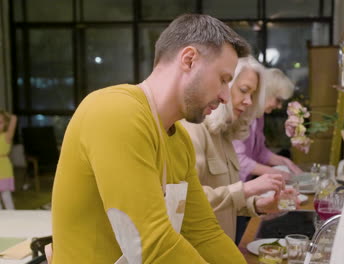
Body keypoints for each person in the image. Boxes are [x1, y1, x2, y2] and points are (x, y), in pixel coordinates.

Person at [52, 14, 251, 263]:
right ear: (189, 60)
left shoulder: (179, 141)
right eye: (223, 79)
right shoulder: (115, 111)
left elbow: (203, 233)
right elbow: (152, 244)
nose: (225, 96)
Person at [182, 56, 289, 243]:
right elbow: (189, 202)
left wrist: (259, 205)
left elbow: (224, 200)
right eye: (244, 91)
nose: (248, 101)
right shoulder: (193, 130)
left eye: (252, 95)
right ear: (222, 86)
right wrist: (247, 189)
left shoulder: (225, 135)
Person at [233, 68, 303, 183]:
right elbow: (238, 160)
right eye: (278, 100)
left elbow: (259, 152)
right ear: (266, 92)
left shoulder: (259, 116)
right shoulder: (239, 113)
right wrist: (276, 173)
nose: (279, 106)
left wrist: (285, 162)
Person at [0, 110, 17, 209]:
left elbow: (14, 118)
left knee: (6, 195)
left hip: (4, 168)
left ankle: (12, 217)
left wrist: (6, 115)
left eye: (0, 122)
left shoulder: (7, 136)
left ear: (5, 123)